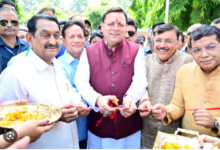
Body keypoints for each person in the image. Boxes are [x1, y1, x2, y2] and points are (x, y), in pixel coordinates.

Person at [0, 14, 87, 149]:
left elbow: (69, 90)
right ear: (30, 39)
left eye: (56, 35)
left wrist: (77, 104)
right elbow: (7, 125)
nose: (53, 41)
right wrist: (55, 116)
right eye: (45, 35)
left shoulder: (56, 65)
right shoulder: (14, 74)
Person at [75, 7, 147, 149]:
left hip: (129, 125)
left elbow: (140, 79)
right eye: (111, 24)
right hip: (99, 126)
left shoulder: (136, 50)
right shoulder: (89, 51)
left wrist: (131, 97)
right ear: (102, 26)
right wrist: (97, 99)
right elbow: (81, 81)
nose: (115, 28)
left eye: (120, 25)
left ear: (126, 27)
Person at [151, 25, 220, 138]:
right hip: (187, 143)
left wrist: (215, 123)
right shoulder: (185, 71)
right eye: (197, 50)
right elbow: (178, 105)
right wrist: (166, 112)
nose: (204, 54)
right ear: (191, 51)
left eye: (211, 47)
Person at [138, 24, 193, 149]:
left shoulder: (189, 62)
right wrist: (142, 101)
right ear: (152, 40)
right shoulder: (145, 61)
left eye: (168, 41)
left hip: (176, 137)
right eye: (158, 40)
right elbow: (139, 88)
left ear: (178, 42)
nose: (162, 45)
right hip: (146, 135)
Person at [58, 20, 92, 149]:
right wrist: (79, 103)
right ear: (63, 40)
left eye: (80, 36)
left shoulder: (93, 60)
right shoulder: (58, 64)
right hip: (74, 125)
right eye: (71, 37)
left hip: (97, 125)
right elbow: (68, 88)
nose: (76, 40)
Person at [0, 7, 29, 74]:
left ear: (18, 25)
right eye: (4, 22)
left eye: (13, 22)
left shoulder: (30, 47)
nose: (9, 25)